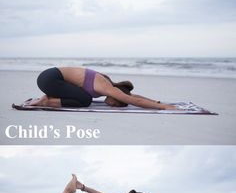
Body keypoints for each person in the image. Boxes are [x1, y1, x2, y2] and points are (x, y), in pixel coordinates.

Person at [12, 64, 186, 112]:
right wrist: (164, 107)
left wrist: (156, 101)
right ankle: (47, 101)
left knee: (82, 98)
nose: (112, 105)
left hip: (50, 79)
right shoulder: (108, 88)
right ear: (117, 96)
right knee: (85, 100)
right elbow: (133, 100)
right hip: (50, 79)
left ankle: (48, 98)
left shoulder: (111, 86)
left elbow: (133, 96)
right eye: (117, 104)